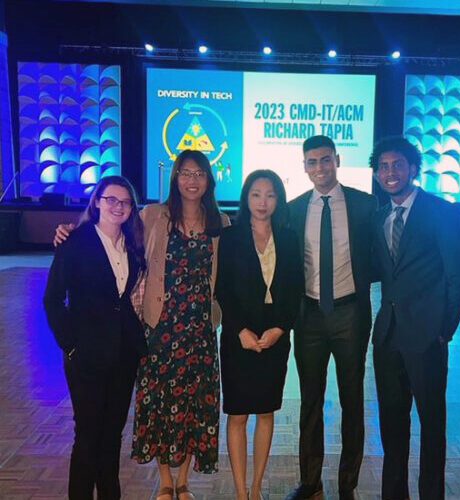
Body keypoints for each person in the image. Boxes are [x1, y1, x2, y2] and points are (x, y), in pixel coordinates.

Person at [54, 150, 230, 500]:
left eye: (199, 173)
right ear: (175, 178)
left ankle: (184, 482)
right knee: (160, 403)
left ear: (209, 179)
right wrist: (72, 231)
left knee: (196, 403)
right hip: (159, 326)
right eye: (184, 172)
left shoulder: (220, 223)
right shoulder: (153, 214)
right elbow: (108, 229)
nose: (192, 180)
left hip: (199, 330)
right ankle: (165, 481)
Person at [370, 136, 460, 500]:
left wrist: (443, 329)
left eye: (397, 164)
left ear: (413, 169)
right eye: (383, 166)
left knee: (432, 428)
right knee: (392, 429)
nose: (390, 172)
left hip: (427, 339)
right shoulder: (381, 216)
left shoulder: (441, 212)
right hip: (387, 338)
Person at [44, 176, 147, 500]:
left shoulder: (132, 245)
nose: (118, 206)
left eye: (125, 202)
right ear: (97, 202)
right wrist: (70, 345)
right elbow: (52, 299)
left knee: (112, 436)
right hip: (86, 357)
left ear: (131, 208)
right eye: (111, 199)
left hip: (123, 356)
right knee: (87, 436)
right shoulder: (75, 242)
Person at [286, 135, 378, 500]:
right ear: (304, 166)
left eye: (326, 160)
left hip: (350, 314)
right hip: (308, 317)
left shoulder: (364, 205)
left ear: (337, 160)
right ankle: (310, 482)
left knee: (352, 400)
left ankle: (347, 485)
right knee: (310, 401)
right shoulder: (294, 210)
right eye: (312, 162)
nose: (320, 168)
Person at [216, 170, 303, 500]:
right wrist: (238, 329)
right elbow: (222, 287)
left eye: (270, 195)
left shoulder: (289, 237)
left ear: (278, 199)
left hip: (275, 333)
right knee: (238, 414)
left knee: (266, 411)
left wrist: (281, 328)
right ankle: (240, 492)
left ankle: (256, 490)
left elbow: (295, 287)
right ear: (246, 198)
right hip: (239, 334)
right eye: (256, 194)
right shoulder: (232, 236)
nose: (263, 202)